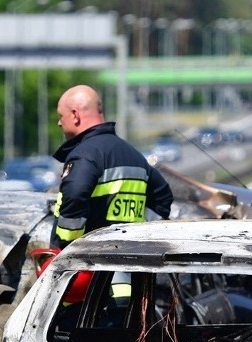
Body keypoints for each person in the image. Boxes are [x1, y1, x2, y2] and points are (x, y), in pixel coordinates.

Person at [50, 84, 173, 249]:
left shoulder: (85, 154)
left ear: (75, 115)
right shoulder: (133, 154)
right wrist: (140, 233)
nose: (59, 122)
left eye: (61, 115)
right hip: (130, 260)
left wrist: (67, 244)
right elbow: (163, 197)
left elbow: (75, 195)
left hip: (91, 264)